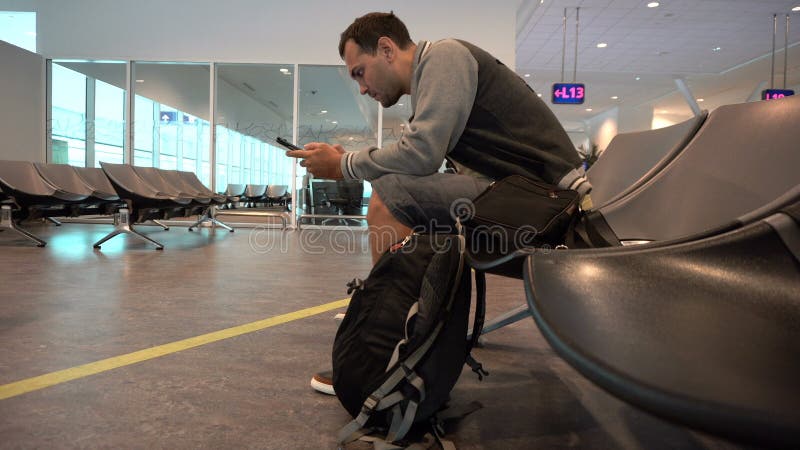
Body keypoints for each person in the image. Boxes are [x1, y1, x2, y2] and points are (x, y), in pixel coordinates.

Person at [287, 12, 591, 395]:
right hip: (525, 199)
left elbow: (420, 155)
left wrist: (344, 164)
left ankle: (383, 357)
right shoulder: (435, 83)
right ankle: (411, 337)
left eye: (359, 72)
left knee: (390, 195)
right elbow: (427, 163)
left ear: (386, 49)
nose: (362, 88)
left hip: (549, 208)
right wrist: (346, 159)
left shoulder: (445, 57)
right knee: (397, 186)